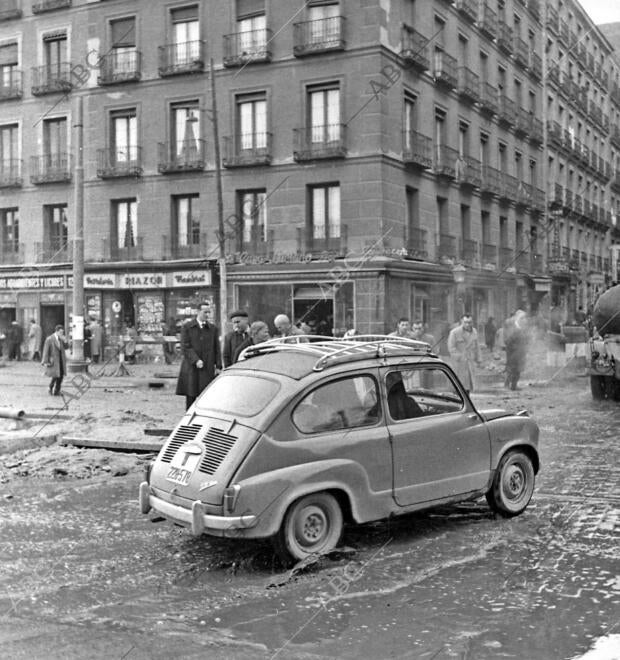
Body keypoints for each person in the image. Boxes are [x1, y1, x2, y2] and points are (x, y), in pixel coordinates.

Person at [175, 302, 222, 410]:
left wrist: (218, 366)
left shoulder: (213, 329)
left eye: (209, 312)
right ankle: (189, 418)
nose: (207, 315)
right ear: (198, 312)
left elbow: (217, 348)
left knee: (206, 395)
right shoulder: (187, 327)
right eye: (205, 312)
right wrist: (196, 360)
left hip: (207, 367)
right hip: (192, 367)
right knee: (191, 394)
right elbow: (185, 347)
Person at [447, 313, 481, 393]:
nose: (468, 324)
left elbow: (477, 347)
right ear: (461, 321)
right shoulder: (454, 332)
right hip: (458, 364)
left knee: (468, 387)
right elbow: (451, 348)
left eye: (470, 322)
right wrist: (460, 357)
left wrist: (479, 359)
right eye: (465, 322)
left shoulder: (474, 332)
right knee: (457, 386)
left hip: (470, 363)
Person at [503, 310, 529, 390]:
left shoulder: (522, 328)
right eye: (522, 318)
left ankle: (512, 384)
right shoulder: (513, 328)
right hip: (513, 352)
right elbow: (508, 340)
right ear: (517, 318)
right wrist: (514, 348)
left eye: (525, 318)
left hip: (520, 352)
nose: (524, 320)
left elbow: (525, 339)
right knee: (512, 369)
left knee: (518, 369)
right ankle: (511, 385)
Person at [41, 325, 69, 396]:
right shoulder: (50, 339)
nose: (61, 334)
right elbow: (46, 350)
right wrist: (45, 361)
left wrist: (65, 340)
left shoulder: (61, 339)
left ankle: (57, 390)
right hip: (53, 360)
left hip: (61, 360)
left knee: (61, 375)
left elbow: (66, 347)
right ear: (56, 331)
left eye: (62, 332)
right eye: (60, 332)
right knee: (55, 375)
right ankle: (50, 387)